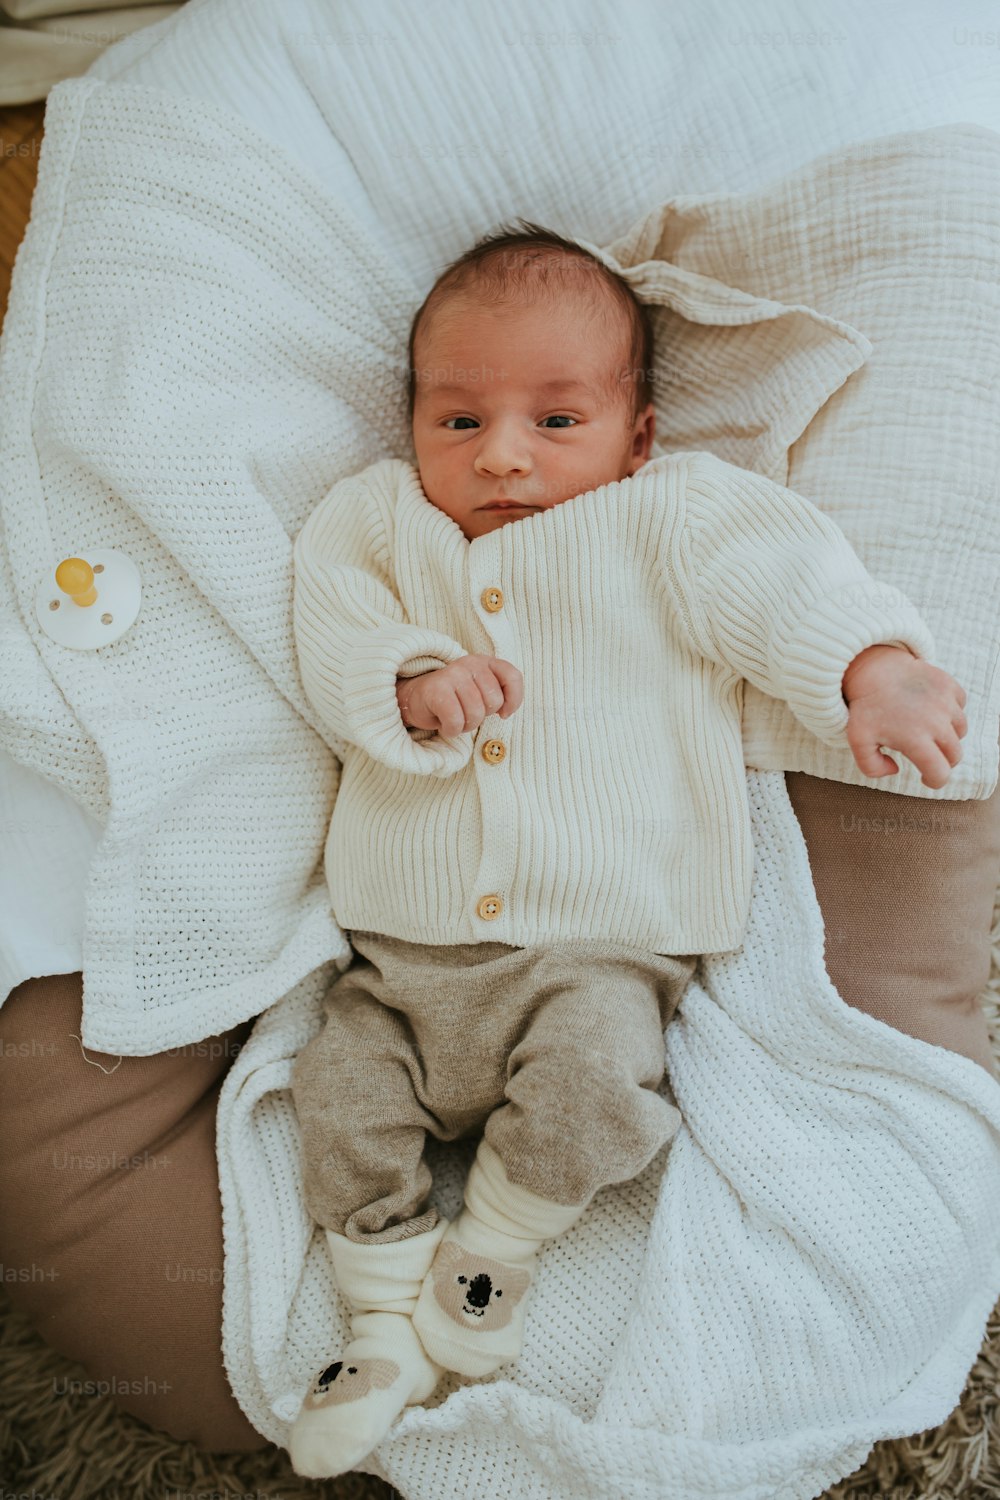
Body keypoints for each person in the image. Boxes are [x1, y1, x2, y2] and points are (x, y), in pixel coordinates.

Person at [284, 222, 969, 1479]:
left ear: (636, 437)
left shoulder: (669, 524)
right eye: (457, 422)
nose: (500, 457)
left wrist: (870, 669)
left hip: (598, 947)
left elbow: (784, 586)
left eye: (556, 422)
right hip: (400, 959)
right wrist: (409, 675)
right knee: (334, 1094)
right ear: (410, 425)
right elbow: (331, 634)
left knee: (601, 1083)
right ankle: (376, 1316)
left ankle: (493, 1250)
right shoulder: (374, 522)